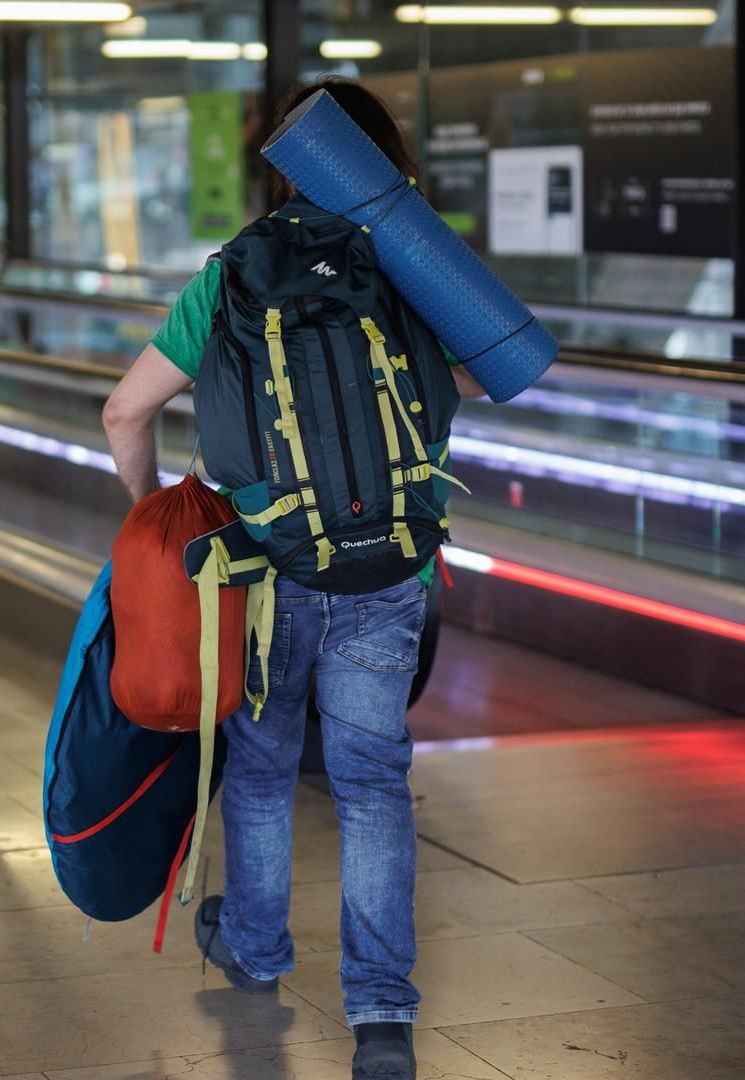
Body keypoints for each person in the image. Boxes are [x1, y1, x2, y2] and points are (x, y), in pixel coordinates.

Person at [101, 78, 484, 1080]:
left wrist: (151, 517)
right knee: (371, 780)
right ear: (381, 161)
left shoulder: (228, 277)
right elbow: (484, 373)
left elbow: (122, 412)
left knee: (263, 771)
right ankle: (383, 1018)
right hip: (388, 566)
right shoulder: (404, 265)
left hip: (261, 572)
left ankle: (258, 951)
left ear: (285, 166)